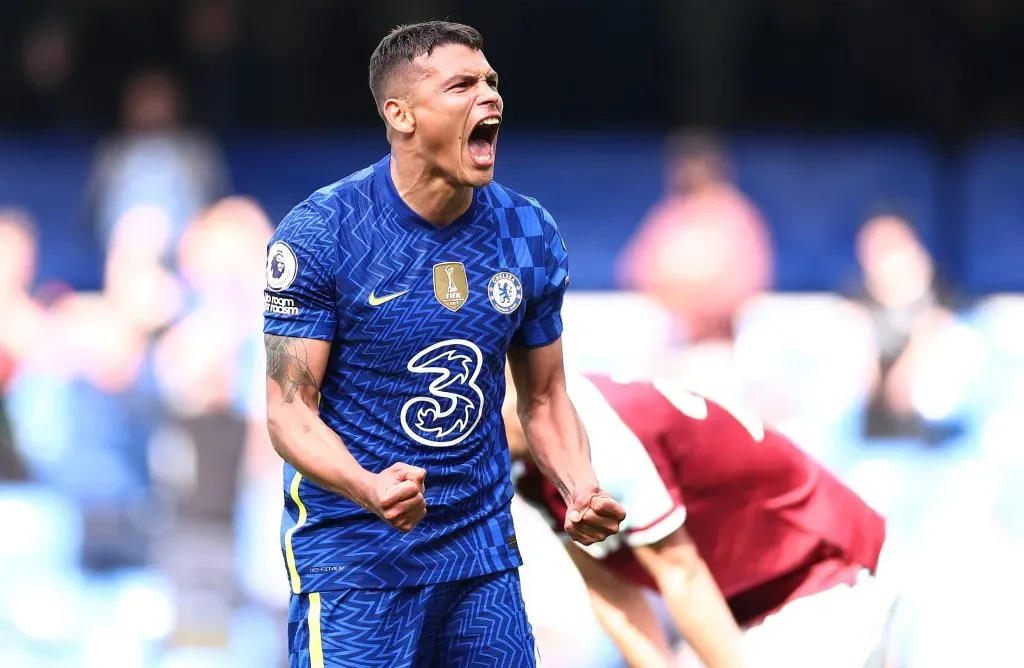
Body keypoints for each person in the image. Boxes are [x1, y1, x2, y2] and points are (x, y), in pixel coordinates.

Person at [262, 21, 625, 668]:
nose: (490, 97)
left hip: (481, 563)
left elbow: (543, 398)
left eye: (491, 82)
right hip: (356, 564)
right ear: (401, 114)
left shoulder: (526, 233)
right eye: (462, 85)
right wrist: (368, 487)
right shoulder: (323, 232)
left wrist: (578, 485)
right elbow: (289, 409)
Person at [507, 371, 896, 668]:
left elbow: (682, 573)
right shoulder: (527, 460)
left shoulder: (597, 432)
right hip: (748, 608)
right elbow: (610, 588)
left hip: (825, 573)